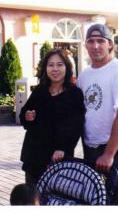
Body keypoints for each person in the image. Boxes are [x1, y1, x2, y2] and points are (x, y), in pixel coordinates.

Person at [76, 23, 118, 205]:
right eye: (91, 41)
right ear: (85, 45)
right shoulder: (84, 75)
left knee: (108, 202)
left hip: (114, 149)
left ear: (110, 44)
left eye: (100, 41)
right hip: (91, 148)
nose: (95, 46)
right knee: (92, 201)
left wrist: (109, 154)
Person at [19, 48, 85, 186]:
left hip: (58, 158)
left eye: (59, 65)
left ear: (67, 67)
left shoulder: (74, 94)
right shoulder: (39, 91)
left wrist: (63, 148)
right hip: (34, 156)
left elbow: (76, 125)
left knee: (56, 198)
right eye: (51, 65)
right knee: (33, 200)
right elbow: (24, 115)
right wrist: (27, 116)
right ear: (45, 68)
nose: (55, 69)